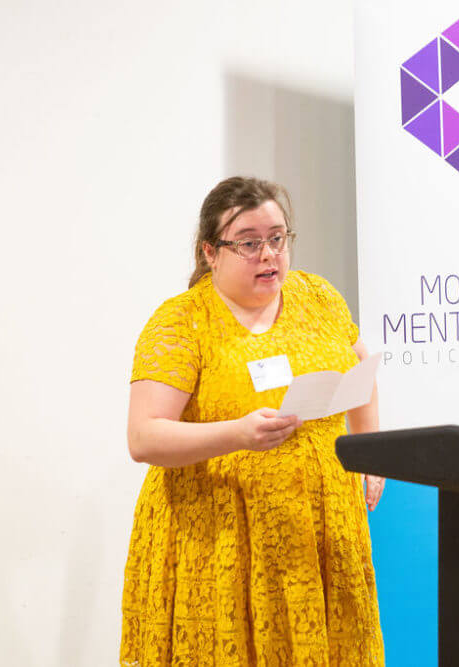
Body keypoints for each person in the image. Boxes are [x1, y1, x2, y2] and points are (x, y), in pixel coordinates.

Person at [120, 176, 385, 666]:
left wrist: (371, 457)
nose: (269, 254)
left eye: (278, 238)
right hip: (221, 534)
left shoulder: (318, 298)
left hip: (319, 527)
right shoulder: (182, 323)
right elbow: (144, 436)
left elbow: (360, 362)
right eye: (248, 243)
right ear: (209, 252)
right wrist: (238, 433)